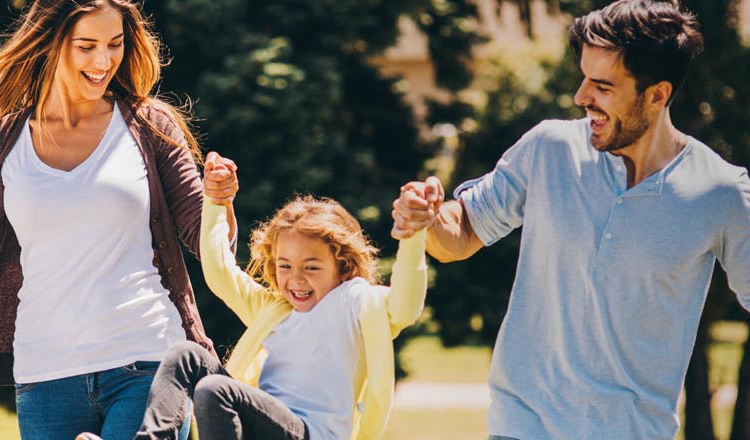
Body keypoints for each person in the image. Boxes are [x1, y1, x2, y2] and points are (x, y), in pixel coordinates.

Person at [390, 1, 750, 438]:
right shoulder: (547, 149)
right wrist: (427, 218)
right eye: (584, 78)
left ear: (657, 95)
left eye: (602, 86)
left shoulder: (721, 192)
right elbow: (461, 235)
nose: (581, 97)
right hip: (521, 426)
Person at [0, 1, 218, 439]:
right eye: (87, 46)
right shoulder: (2, 140)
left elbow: (203, 233)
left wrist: (220, 201)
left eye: (114, 45)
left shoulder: (149, 125)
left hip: (147, 359)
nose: (103, 61)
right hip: (47, 378)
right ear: (52, 44)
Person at [91, 154, 430, 440]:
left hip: (309, 433)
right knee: (186, 355)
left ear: (342, 266)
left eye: (311, 267)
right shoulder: (276, 310)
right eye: (285, 265)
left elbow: (405, 305)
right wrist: (216, 203)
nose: (295, 279)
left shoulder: (356, 302)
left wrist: (412, 238)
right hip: (259, 422)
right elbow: (220, 272)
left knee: (214, 391)